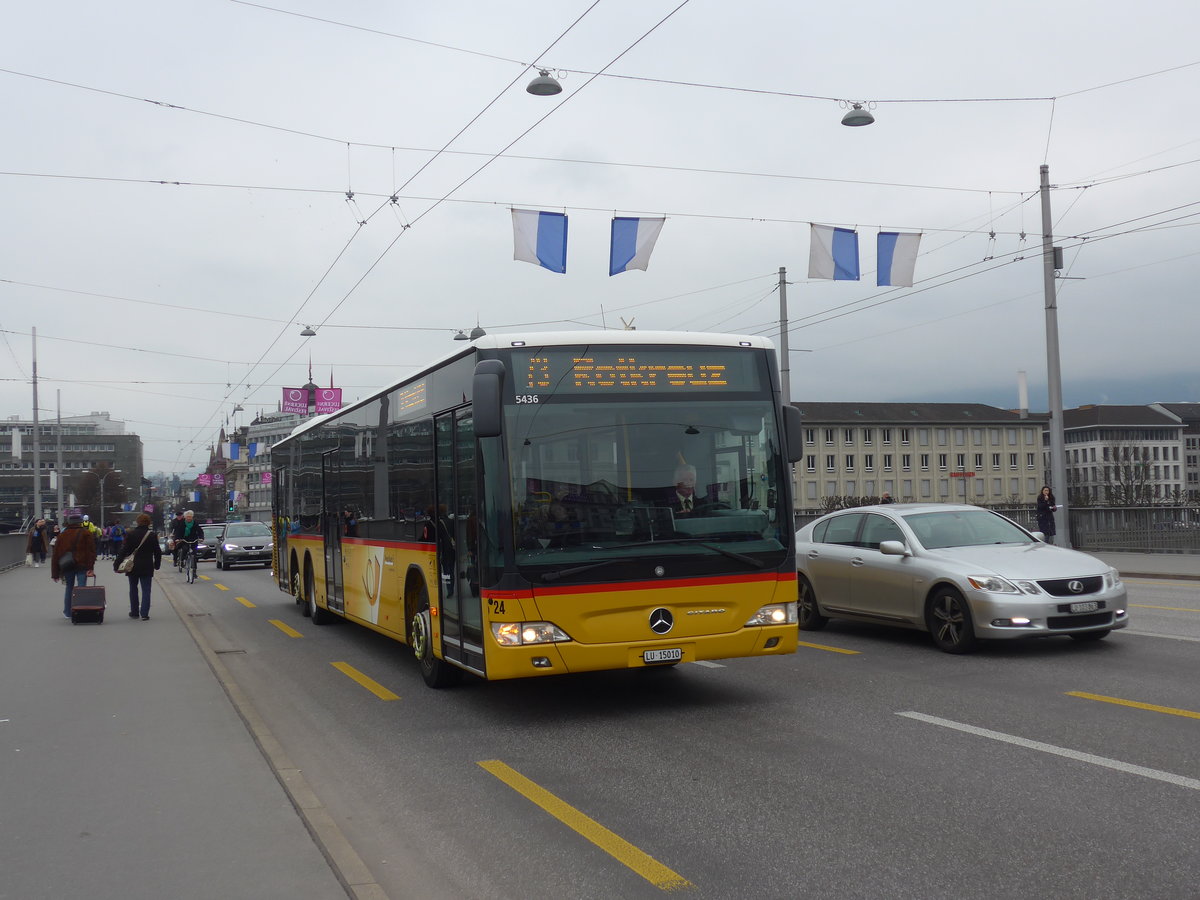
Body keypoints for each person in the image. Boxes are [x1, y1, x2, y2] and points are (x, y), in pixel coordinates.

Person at [113, 513, 162, 620]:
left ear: (138, 522)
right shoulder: (152, 535)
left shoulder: (131, 534)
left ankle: (134, 612)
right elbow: (157, 552)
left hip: (132, 566)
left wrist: (116, 564)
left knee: (133, 588)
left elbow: (123, 551)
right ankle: (144, 613)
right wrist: (157, 564)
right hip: (147, 566)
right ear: (148, 523)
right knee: (146, 590)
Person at [51, 511, 97, 619]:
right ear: (81, 522)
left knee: (69, 587)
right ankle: (80, 610)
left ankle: (68, 612)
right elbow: (91, 552)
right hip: (82, 565)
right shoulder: (86, 534)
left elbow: (56, 554)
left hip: (67, 565)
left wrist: (55, 573)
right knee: (82, 588)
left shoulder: (62, 535)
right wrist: (90, 568)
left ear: (69, 522)